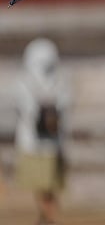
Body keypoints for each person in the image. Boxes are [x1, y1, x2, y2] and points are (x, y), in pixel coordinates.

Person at [13, 38, 71, 225]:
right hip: (36, 144)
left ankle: (49, 218)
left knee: (47, 189)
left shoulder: (57, 83)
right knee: (42, 188)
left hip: (44, 145)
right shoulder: (29, 84)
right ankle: (46, 217)